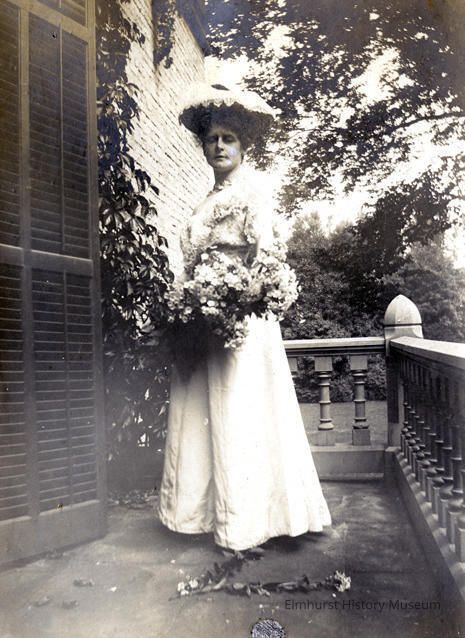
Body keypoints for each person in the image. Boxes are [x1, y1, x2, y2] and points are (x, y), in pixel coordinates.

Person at [158, 84, 331, 551]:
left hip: (241, 321)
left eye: (228, 139)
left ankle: (249, 521)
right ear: (203, 146)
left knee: (239, 412)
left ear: (243, 146)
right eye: (211, 139)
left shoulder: (254, 195)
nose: (219, 146)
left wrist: (238, 293)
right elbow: (193, 262)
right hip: (203, 319)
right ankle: (197, 516)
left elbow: (268, 258)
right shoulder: (202, 203)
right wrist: (189, 300)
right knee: (200, 412)